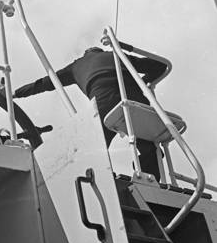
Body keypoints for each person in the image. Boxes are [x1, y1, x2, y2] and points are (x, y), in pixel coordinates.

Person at [13, 44, 168, 181]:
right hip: (137, 103)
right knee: (150, 148)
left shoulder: (76, 66)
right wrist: (144, 82)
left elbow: (46, 83)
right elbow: (159, 66)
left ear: (85, 55)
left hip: (104, 105)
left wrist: (15, 93)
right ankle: (149, 181)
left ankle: (100, 183)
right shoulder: (116, 55)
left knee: (95, 150)